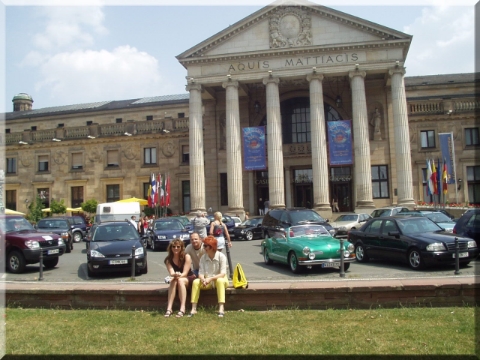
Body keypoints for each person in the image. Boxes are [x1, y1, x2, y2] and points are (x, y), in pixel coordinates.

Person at [188, 236, 229, 318]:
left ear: (212, 247)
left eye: (206, 246)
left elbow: (223, 274)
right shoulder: (203, 257)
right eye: (204, 245)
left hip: (220, 280)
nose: (204, 247)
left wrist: (210, 279)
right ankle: (193, 309)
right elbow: (201, 272)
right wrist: (203, 279)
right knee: (196, 282)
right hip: (207, 281)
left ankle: (221, 308)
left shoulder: (221, 256)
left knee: (220, 281)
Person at [163, 238, 194, 318]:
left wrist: (177, 276)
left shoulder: (186, 256)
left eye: (178, 246)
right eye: (173, 246)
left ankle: (182, 308)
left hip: (188, 277)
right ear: (171, 248)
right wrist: (174, 275)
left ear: (181, 247)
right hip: (177, 278)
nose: (176, 248)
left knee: (179, 280)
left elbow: (185, 273)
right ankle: (169, 308)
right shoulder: (168, 260)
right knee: (174, 281)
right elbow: (172, 273)